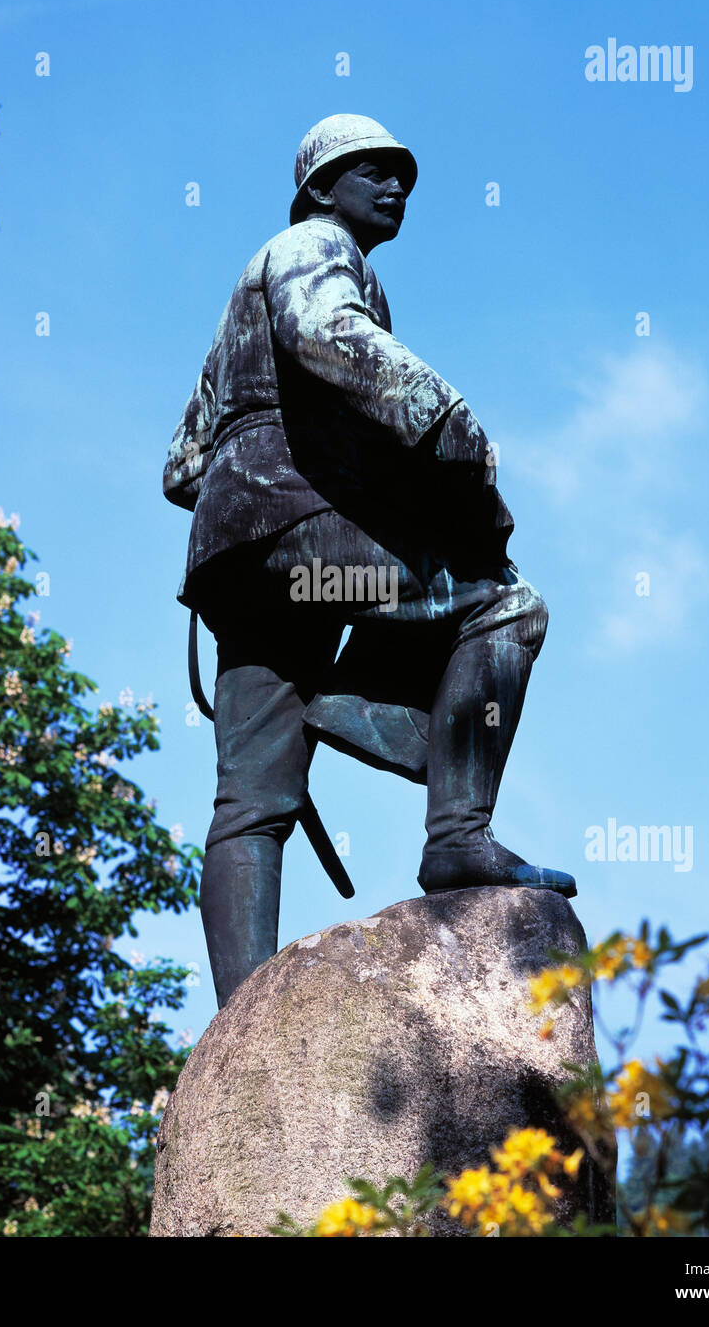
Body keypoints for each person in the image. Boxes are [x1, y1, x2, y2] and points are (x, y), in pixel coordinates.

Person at [164, 114, 576, 1008]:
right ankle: (455, 832)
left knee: (250, 800)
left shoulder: (246, 290)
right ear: (320, 186)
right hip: (299, 532)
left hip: (235, 562)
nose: (394, 189)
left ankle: (241, 1022)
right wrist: (446, 418)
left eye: (403, 178)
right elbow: (329, 337)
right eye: (372, 172)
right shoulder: (313, 247)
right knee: (503, 606)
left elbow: (181, 465)